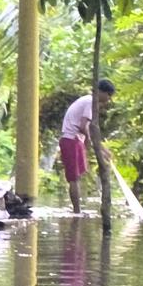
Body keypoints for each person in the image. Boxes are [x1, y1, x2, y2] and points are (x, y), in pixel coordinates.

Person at [57, 78, 110, 213]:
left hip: (75, 140)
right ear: (101, 92)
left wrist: (100, 147)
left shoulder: (88, 101)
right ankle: (77, 212)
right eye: (108, 95)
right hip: (70, 140)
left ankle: (77, 210)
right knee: (73, 178)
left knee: (77, 177)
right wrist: (97, 146)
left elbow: (88, 128)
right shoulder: (90, 101)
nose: (109, 99)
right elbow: (82, 127)